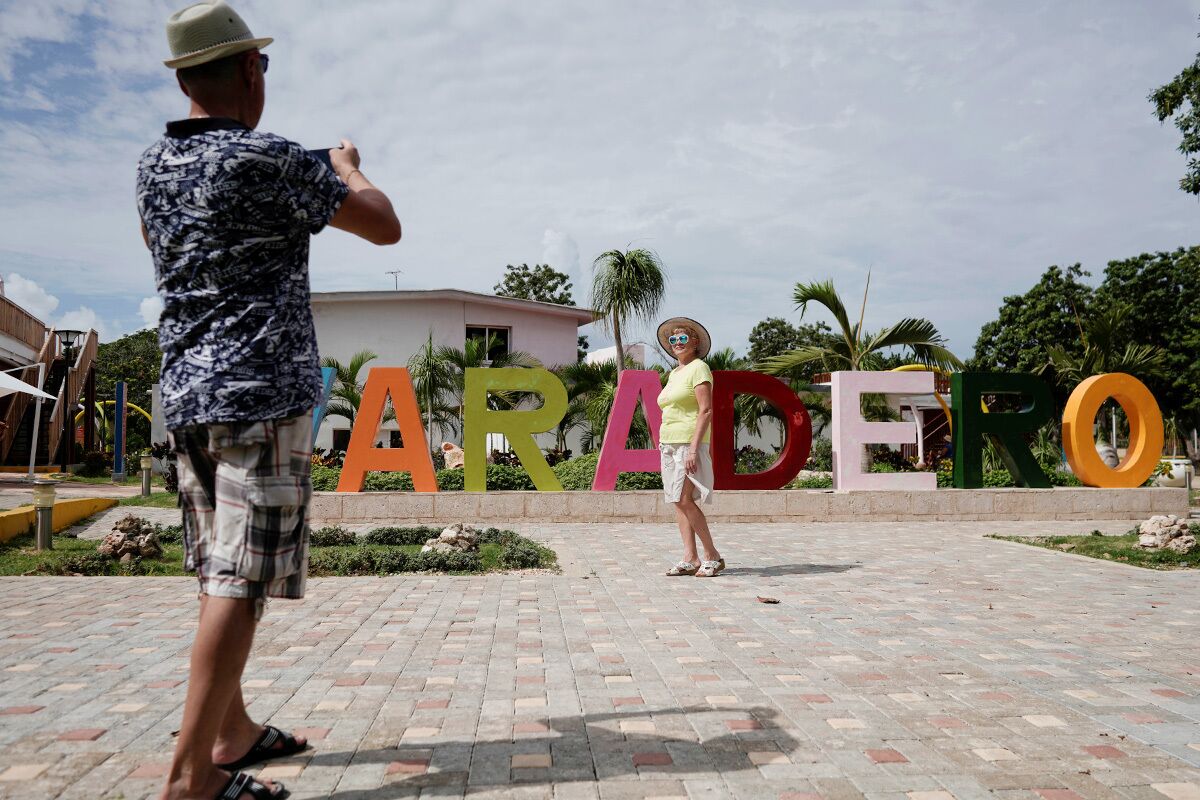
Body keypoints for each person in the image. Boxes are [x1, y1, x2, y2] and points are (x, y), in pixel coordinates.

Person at [135, 3, 401, 799]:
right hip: (260, 394)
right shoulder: (273, 160)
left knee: (220, 568)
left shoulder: (152, 165)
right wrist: (348, 167)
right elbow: (383, 226)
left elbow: (163, 245)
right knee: (241, 582)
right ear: (250, 69)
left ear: (183, 77)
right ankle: (191, 782)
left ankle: (232, 733)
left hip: (185, 392)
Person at [656, 317, 725, 578]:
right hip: (669, 444)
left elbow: (705, 410)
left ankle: (712, 556)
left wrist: (694, 448)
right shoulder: (674, 373)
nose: (677, 343)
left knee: (685, 499)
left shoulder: (699, 368)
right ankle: (690, 557)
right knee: (677, 501)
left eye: (682, 338)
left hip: (688, 442)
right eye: (673, 340)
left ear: (695, 342)